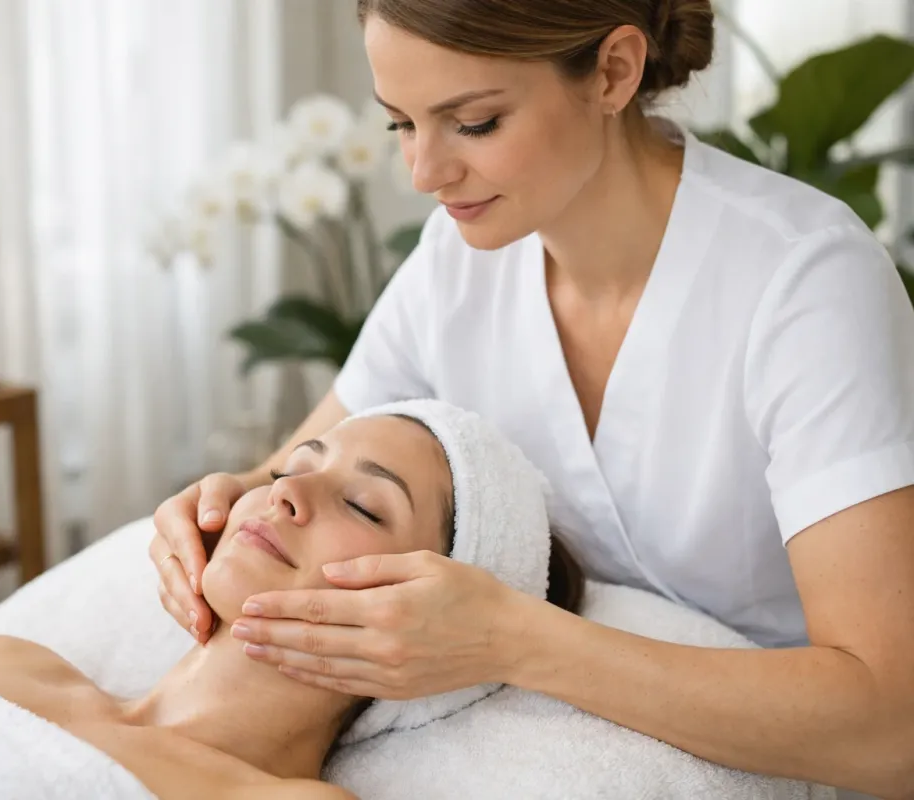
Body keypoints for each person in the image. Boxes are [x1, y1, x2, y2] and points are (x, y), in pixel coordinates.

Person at [150, 1, 914, 797]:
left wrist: (509, 639)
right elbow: (294, 468)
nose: (424, 173)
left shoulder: (803, 282)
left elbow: (896, 729)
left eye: (473, 123)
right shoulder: (456, 261)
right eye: (400, 125)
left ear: (614, 71)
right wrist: (223, 504)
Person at [0, 404, 584, 800]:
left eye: (364, 504)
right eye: (289, 467)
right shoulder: (7, 663)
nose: (280, 495)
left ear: (430, 625)